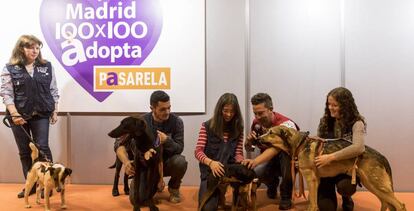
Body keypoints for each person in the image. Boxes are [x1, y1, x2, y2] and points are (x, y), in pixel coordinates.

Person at [0, 35, 59, 198]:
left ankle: (49, 183)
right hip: (18, 115)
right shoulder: (9, 68)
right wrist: (14, 113)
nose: (35, 51)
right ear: (21, 49)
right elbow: (6, 93)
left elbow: (53, 90)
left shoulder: (47, 66)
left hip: (41, 113)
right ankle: (31, 184)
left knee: (42, 147)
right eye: (30, 47)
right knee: (25, 152)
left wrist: (55, 110)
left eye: (37, 47)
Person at [115, 90, 188, 203]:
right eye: (162, 109)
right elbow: (119, 144)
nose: (167, 112)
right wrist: (126, 162)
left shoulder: (177, 122)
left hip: (167, 163)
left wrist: (167, 140)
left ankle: (174, 188)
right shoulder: (140, 122)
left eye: (169, 107)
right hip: (147, 166)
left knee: (180, 162)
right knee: (136, 200)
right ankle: (150, 185)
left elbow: (179, 148)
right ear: (152, 108)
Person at [242, 93, 298, 210]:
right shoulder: (257, 123)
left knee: (284, 153)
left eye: (261, 113)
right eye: (255, 113)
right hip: (268, 161)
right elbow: (250, 149)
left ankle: (286, 195)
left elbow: (277, 148)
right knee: (255, 173)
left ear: (270, 109)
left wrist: (255, 161)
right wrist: (249, 143)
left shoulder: (286, 125)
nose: (257, 117)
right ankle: (272, 183)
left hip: (288, 162)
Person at [315, 87, 366, 211]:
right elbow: (318, 145)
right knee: (326, 208)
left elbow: (359, 148)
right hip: (326, 170)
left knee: (346, 188)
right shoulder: (324, 121)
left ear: (345, 105)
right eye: (329, 104)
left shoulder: (357, 122)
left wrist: (331, 157)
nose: (330, 108)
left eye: (335, 105)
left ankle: (346, 197)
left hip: (345, 169)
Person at [195, 93, 244, 211]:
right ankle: (217, 196)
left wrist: (242, 161)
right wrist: (211, 163)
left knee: (241, 205)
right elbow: (198, 151)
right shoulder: (206, 126)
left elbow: (238, 153)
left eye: (232, 112)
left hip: (229, 171)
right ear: (219, 109)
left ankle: (235, 198)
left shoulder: (239, 128)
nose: (229, 114)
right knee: (207, 209)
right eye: (225, 110)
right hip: (210, 172)